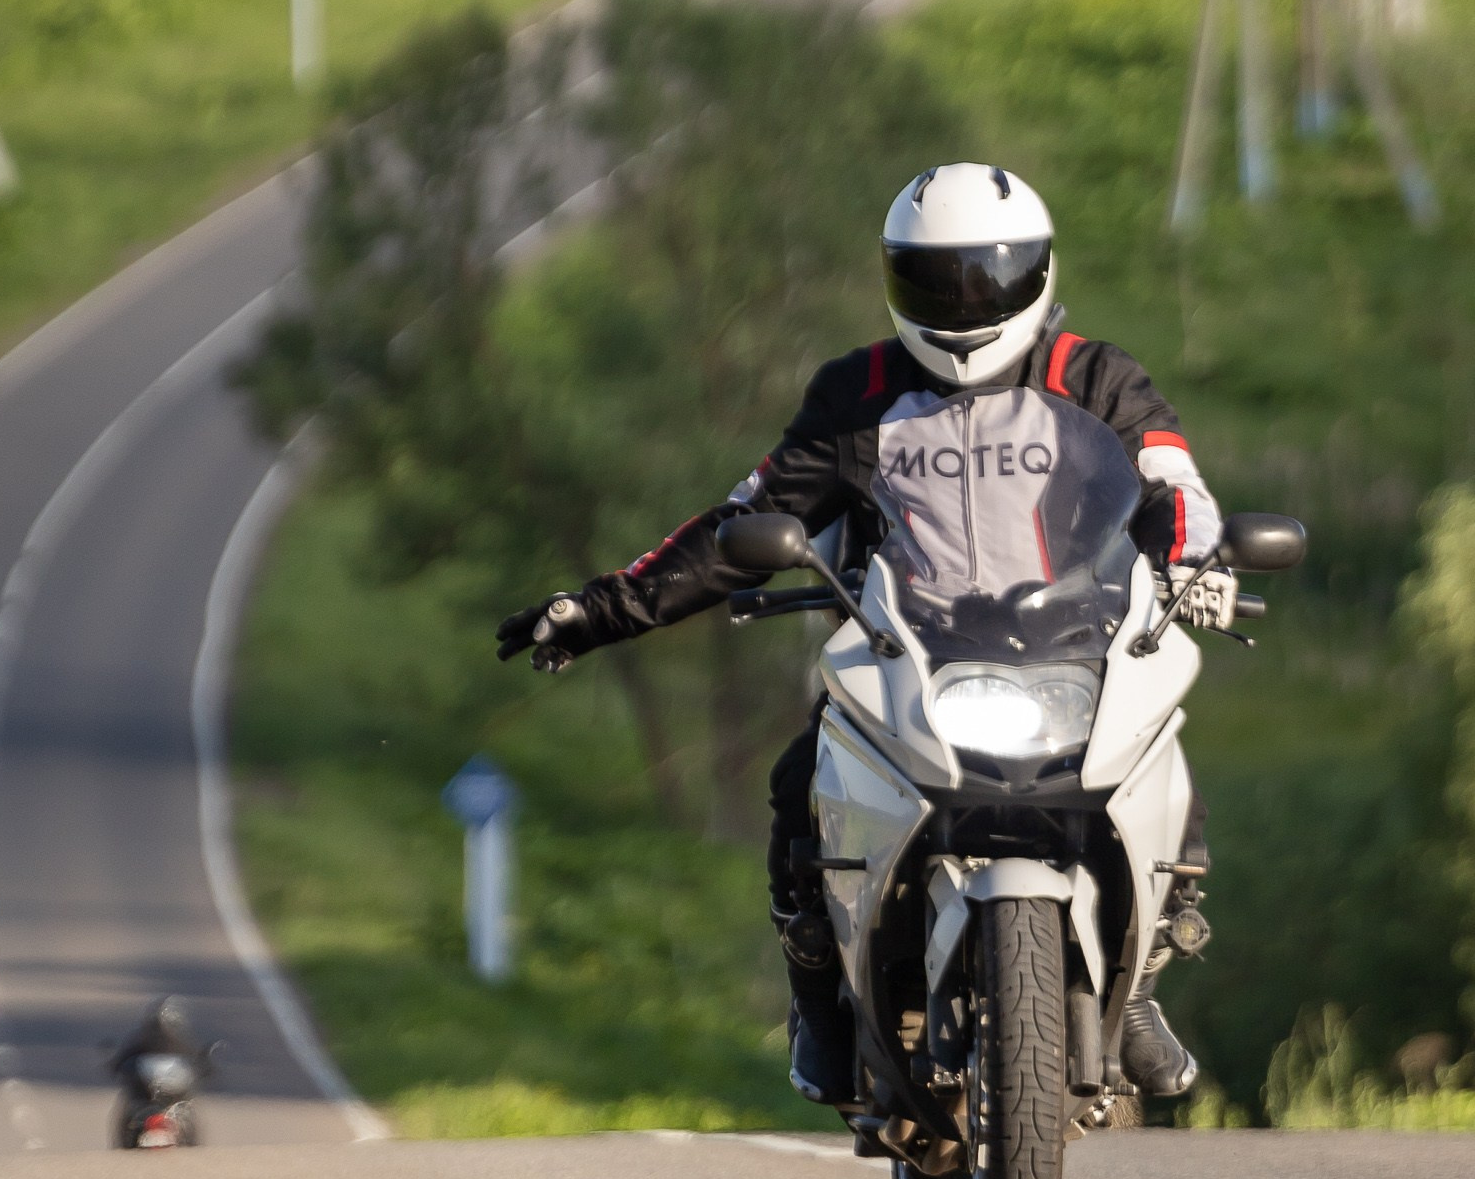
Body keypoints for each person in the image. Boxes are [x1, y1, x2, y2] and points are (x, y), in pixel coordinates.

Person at [496, 163, 1232, 1112]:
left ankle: (1142, 986)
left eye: (986, 278)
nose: (964, 303)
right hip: (908, 653)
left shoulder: (1096, 378)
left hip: (1072, 645)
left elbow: (1177, 487)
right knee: (798, 784)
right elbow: (742, 524)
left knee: (1160, 754)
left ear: (1039, 273)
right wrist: (598, 610)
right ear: (895, 280)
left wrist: (1198, 563)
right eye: (937, 280)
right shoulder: (857, 393)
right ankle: (819, 1000)